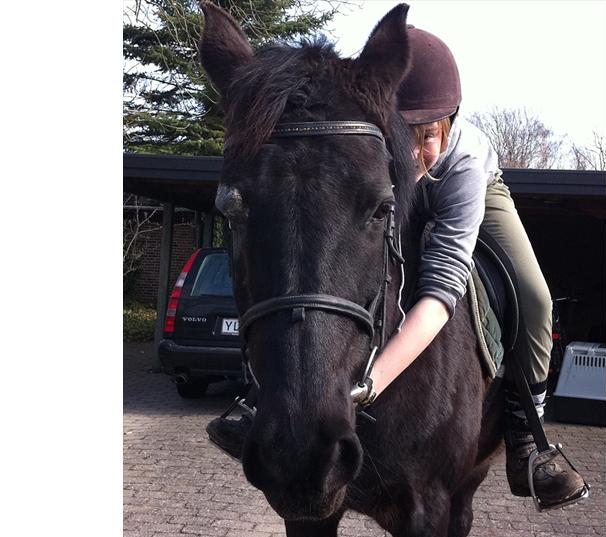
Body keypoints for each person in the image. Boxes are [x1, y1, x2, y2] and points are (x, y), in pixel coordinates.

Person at [208, 25, 584, 507]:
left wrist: (370, 384)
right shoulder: (367, 140)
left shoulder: (464, 161)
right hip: (379, 179)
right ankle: (265, 399)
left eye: (426, 135)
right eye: (399, 134)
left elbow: (445, 281)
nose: (410, 151)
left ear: (449, 123)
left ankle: (528, 435)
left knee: (535, 296)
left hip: (464, 193)